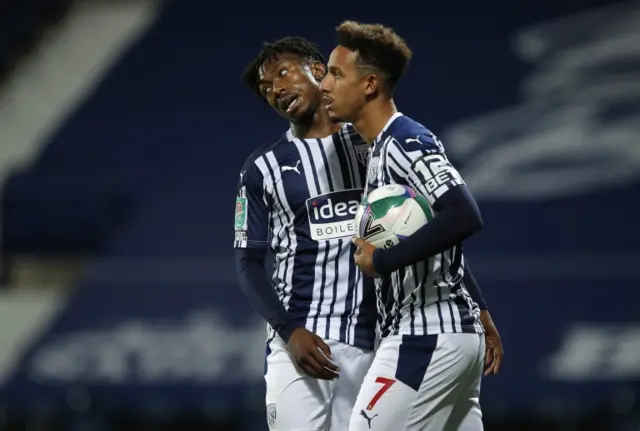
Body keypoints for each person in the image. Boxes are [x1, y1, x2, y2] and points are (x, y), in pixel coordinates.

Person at [320, 21, 503, 430]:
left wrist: (382, 261)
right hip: (447, 332)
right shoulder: (381, 150)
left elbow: (463, 213)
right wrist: (482, 311)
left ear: (369, 85)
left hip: (425, 336)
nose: (325, 86)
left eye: (336, 74)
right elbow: (441, 233)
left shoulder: (405, 141)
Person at [234, 36, 378, 431]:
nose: (276, 90)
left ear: (318, 70)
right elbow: (248, 261)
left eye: (282, 74)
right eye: (266, 89)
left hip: (374, 343)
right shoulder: (262, 169)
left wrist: (477, 308)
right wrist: (288, 330)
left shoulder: (374, 148)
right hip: (301, 342)